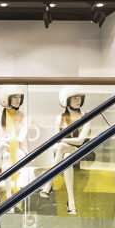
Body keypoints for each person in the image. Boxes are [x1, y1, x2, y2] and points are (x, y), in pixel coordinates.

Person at [40, 86, 91, 215]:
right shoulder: (60, 118)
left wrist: (62, 141)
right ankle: (71, 202)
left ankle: (48, 184)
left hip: (81, 153)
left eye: (79, 98)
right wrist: (60, 142)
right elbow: (55, 141)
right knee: (66, 153)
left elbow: (80, 141)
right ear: (66, 101)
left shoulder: (86, 117)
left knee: (62, 147)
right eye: (74, 98)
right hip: (65, 155)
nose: (78, 101)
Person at [0, 85, 28, 210]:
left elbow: (18, 140)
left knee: (3, 146)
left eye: (20, 97)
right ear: (6, 98)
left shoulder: (24, 116)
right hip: (2, 155)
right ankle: (9, 196)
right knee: (5, 153)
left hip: (19, 153)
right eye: (14, 97)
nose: (18, 100)